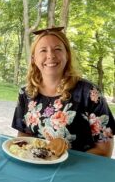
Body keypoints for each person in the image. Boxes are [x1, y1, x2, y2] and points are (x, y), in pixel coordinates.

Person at [12, 27, 115, 157]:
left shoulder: (90, 93)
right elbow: (24, 137)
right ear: (34, 59)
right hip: (38, 166)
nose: (51, 55)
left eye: (57, 49)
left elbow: (104, 150)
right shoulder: (26, 92)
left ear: (67, 55)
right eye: (43, 50)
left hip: (77, 171)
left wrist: (57, 162)